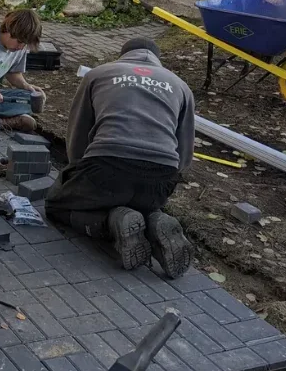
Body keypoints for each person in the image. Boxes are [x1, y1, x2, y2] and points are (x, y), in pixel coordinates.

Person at [46, 37, 195, 279]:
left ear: (122, 55)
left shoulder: (99, 74)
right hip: (160, 176)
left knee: (55, 206)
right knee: (134, 197)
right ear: (158, 59)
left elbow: (78, 133)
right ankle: (154, 219)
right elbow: (185, 151)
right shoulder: (180, 86)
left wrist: (76, 174)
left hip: (106, 167)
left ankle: (111, 222)